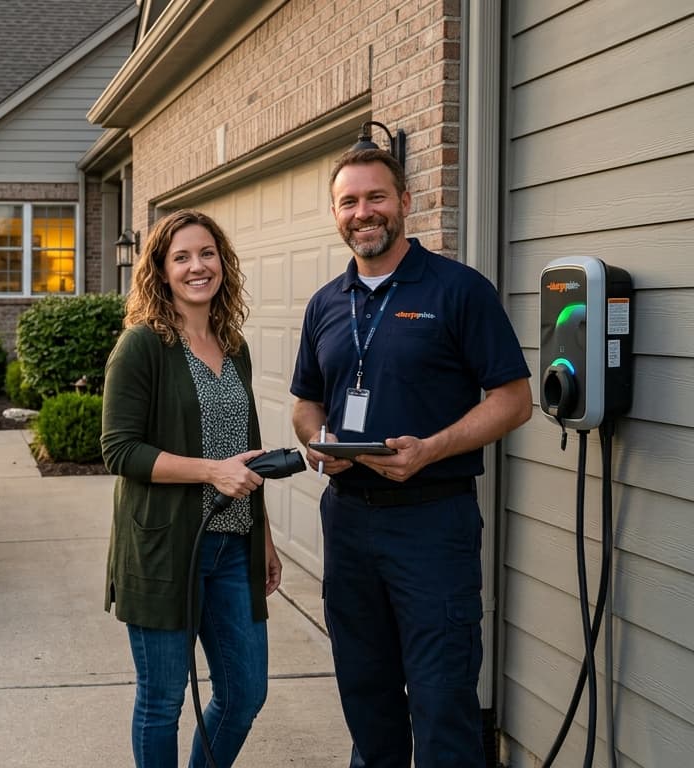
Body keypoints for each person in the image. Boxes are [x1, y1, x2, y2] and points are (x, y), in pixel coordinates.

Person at [290, 147, 532, 767]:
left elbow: (514, 400)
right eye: (349, 201)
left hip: (433, 522)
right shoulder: (325, 303)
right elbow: (306, 404)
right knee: (366, 696)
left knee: (442, 697)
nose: (363, 213)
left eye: (376, 197)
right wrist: (324, 449)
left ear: (404, 201)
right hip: (348, 521)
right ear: (335, 213)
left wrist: (430, 450)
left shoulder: (457, 290)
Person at [101, 208, 283, 768]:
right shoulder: (142, 346)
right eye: (181, 257)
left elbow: (247, 450)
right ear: (160, 270)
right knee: (162, 701)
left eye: (207, 254)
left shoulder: (234, 346)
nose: (196, 266)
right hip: (165, 550)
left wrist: (266, 538)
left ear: (222, 264)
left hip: (234, 547)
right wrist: (210, 470)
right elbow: (118, 449)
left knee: (245, 692)